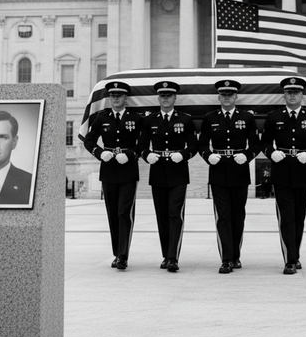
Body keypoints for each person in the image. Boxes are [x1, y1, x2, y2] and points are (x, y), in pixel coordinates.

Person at [261, 77, 306, 275]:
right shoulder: (274, 116)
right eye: (289, 92)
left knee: (299, 217)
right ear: (284, 95)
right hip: (281, 171)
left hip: (303, 171)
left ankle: (295, 255)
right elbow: (264, 142)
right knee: (286, 217)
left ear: (302, 95)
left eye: (296, 92)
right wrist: (271, 153)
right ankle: (289, 260)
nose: (292, 95)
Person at [198, 79, 261, 274]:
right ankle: (226, 259)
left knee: (238, 216)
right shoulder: (210, 118)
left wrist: (247, 156)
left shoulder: (247, 117)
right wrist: (208, 156)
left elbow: (256, 144)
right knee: (223, 216)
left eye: (230, 94)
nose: (226, 97)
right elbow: (202, 144)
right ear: (219, 97)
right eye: (223, 95)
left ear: (236, 97)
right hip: (218, 170)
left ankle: (236, 255)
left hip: (239, 170)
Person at [137, 81, 197, 272]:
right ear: (158, 98)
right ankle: (166, 255)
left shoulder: (185, 120)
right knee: (162, 216)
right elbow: (141, 146)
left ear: (174, 98)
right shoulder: (149, 120)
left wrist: (184, 154)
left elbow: (193, 146)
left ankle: (173, 257)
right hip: (157, 172)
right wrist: (147, 155)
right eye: (162, 95)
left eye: (168, 95)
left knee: (174, 214)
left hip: (178, 172)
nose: (165, 99)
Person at [83, 81, 142, 270]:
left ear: (126, 98)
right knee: (112, 214)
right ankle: (117, 253)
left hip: (128, 170)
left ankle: (123, 255)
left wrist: (130, 154)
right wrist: (100, 153)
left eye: (119, 95)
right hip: (108, 170)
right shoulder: (101, 118)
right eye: (113, 95)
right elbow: (89, 141)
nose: (115, 98)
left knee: (124, 213)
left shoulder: (136, 118)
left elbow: (143, 143)